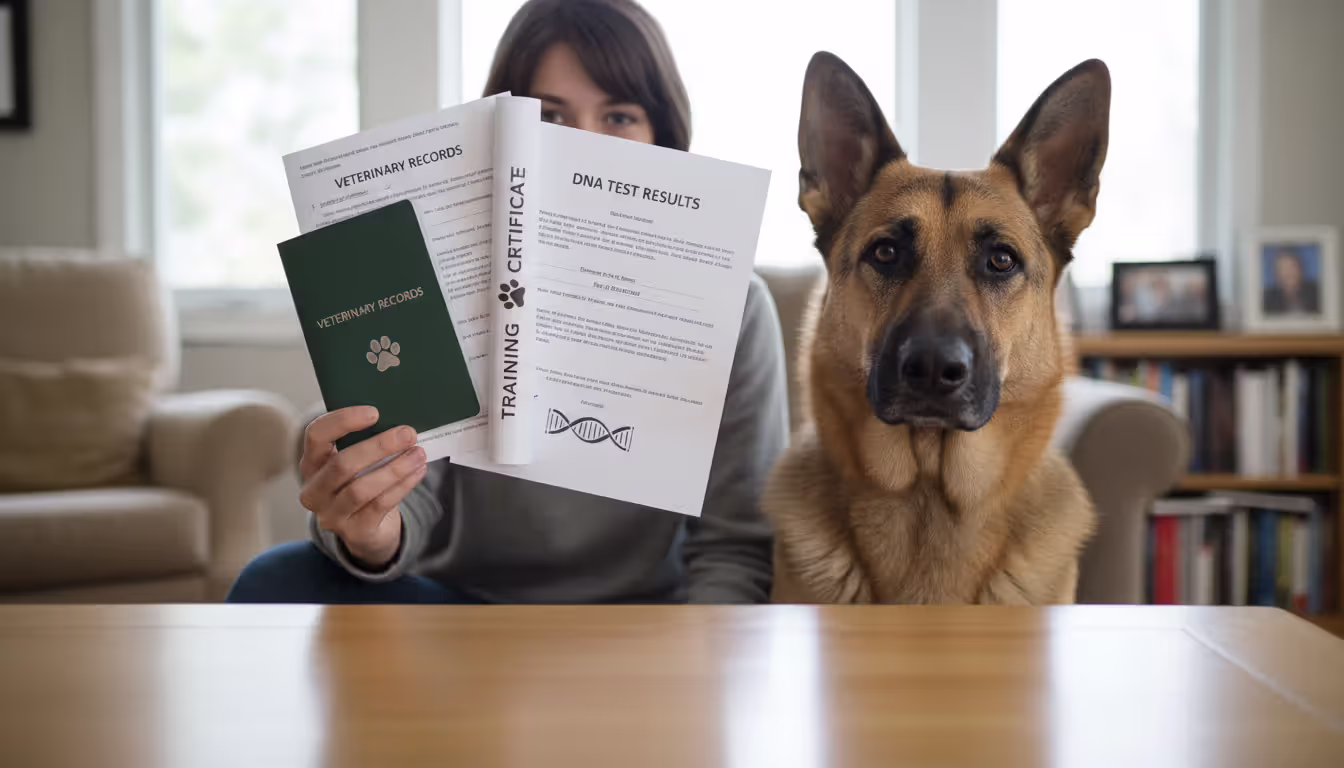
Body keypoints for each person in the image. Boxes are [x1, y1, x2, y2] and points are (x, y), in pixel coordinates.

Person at [228, 0, 789, 604]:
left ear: (664, 139)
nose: (586, 145)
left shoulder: (735, 307)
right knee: (275, 579)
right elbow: (407, 508)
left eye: (621, 116)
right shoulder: (437, 274)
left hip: (640, 621)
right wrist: (372, 531)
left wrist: (688, 669)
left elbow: (736, 547)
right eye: (549, 116)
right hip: (456, 611)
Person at [1263, 246, 1321, 314]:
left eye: (1292, 267)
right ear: (1276, 274)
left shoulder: (1317, 292)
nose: (1288, 273)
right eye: (1283, 269)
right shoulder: (1268, 299)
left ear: (1301, 269)